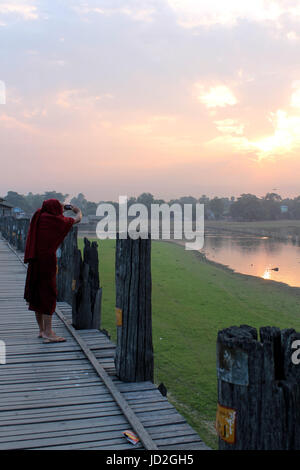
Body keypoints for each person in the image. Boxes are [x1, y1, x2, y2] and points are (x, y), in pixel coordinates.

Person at [24, 199, 82, 343]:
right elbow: (77, 220)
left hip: (34, 261)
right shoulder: (56, 221)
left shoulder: (39, 216)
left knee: (37, 294)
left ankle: (42, 330)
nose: (62, 207)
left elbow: (48, 210)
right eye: (61, 206)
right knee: (49, 295)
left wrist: (61, 208)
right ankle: (49, 333)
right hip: (47, 262)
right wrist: (76, 210)